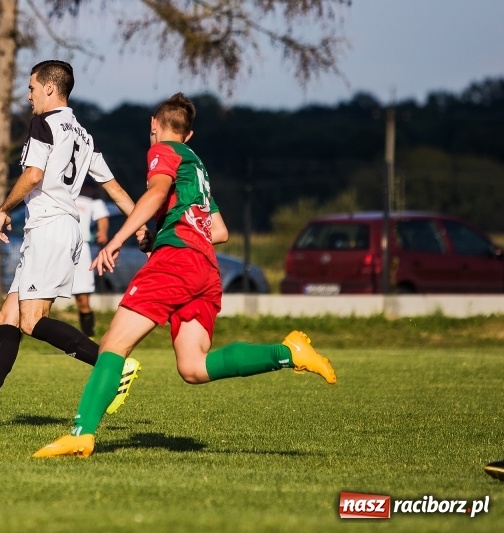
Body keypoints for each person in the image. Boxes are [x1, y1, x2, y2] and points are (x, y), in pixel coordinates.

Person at [33, 92, 337, 458]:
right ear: (189, 134)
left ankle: (82, 433)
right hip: (205, 268)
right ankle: (288, 352)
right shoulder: (198, 168)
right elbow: (219, 230)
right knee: (193, 367)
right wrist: (166, 232)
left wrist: (118, 239)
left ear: (154, 126)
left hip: (176, 263)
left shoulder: (163, 151)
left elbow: (157, 193)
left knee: (114, 345)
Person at [0, 60, 141, 427]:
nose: (28, 95)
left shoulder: (44, 123)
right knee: (9, 317)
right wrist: (141, 224)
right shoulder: (82, 133)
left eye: (31, 87)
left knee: (33, 321)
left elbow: (33, 175)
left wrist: (4, 206)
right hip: (61, 230)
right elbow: (114, 188)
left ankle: (115, 365)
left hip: (49, 229)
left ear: (50, 88)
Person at [72, 179, 110, 338]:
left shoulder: (89, 191)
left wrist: (102, 232)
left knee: (83, 298)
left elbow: (102, 216)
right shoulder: (51, 183)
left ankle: (89, 339)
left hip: (81, 249)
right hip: (53, 245)